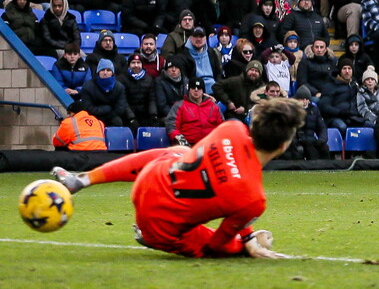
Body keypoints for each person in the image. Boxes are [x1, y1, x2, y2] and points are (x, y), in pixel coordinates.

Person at [52, 98, 303, 258]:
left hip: (147, 181)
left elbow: (224, 167)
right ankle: (148, 235)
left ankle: (84, 179)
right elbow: (216, 244)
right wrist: (245, 240)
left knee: (181, 152)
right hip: (157, 226)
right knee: (223, 247)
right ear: (283, 145)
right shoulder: (253, 199)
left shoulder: (232, 128)